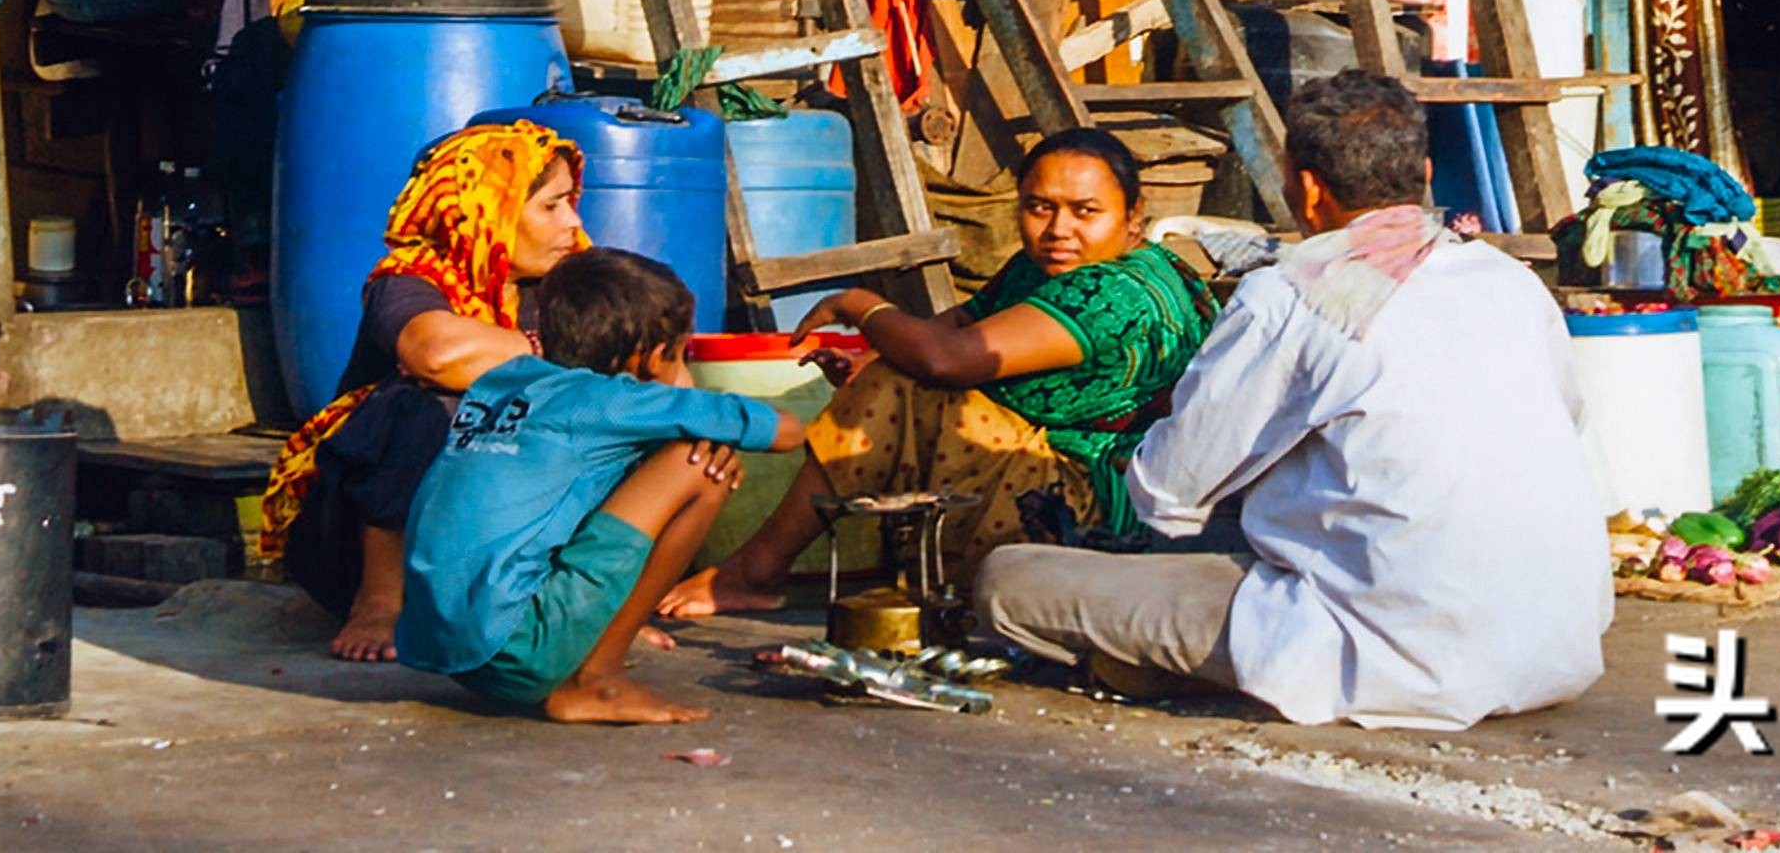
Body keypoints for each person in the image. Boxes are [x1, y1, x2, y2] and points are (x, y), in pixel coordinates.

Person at [968, 70, 1609, 731]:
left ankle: (1170, 664)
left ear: (1305, 188)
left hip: (1396, 657)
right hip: (1555, 649)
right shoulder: (1510, 282)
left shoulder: (1295, 292)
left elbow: (1163, 492)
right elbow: (1563, 419)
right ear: (1423, 171)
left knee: (1008, 581)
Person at [661, 126, 1217, 616]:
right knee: (885, 378)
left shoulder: (1115, 292)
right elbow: (944, 333)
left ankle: (757, 572)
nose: (1057, 229)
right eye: (1039, 206)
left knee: (897, 384)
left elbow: (943, 359)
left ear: (1133, 216)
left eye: (1085, 211)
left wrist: (859, 304)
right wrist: (873, 356)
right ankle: (766, 570)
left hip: (1093, 509)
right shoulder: (1045, 267)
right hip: (1057, 476)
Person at [395, 247, 771, 728]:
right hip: (515, 651)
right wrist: (696, 415)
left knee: (631, 463)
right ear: (655, 357)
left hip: (441, 646)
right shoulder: (612, 400)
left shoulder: (505, 382)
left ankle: (581, 649)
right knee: (695, 466)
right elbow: (784, 431)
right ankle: (597, 681)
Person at [257, 120, 587, 662]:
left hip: (490, 527)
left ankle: (585, 600)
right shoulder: (409, 280)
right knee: (432, 404)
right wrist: (546, 346)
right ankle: (381, 597)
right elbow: (436, 355)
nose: (572, 223)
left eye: (569, 203)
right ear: (488, 209)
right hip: (352, 525)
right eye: (550, 207)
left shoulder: (564, 283)